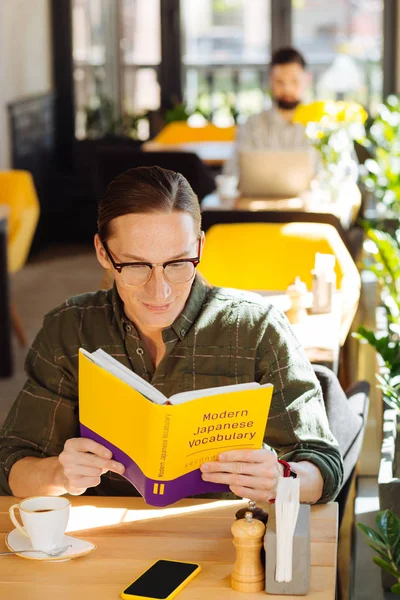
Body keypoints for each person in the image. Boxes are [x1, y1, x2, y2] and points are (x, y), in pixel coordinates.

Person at [0, 166, 343, 503]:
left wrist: (281, 478)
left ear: (200, 248)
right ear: (103, 252)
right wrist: (59, 474)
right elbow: (11, 464)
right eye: (136, 265)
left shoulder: (256, 327)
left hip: (230, 539)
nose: (160, 291)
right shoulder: (69, 327)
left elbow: (324, 468)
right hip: (99, 543)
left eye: (178, 263)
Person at [224, 46, 311, 176]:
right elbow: (232, 171)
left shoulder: (322, 125)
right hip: (258, 195)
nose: (287, 89)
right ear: (271, 81)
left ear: (307, 80)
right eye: (280, 82)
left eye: (294, 81)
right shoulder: (251, 125)